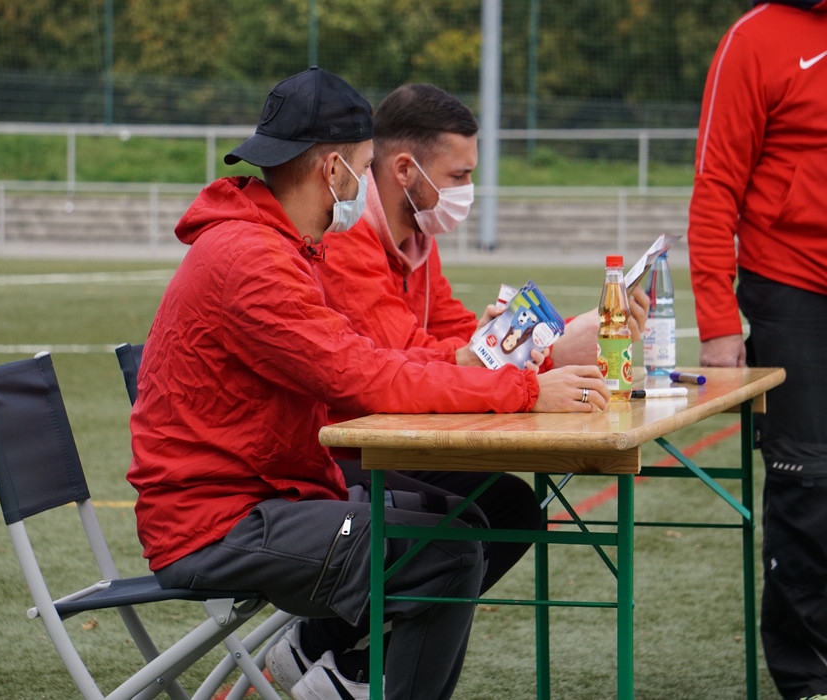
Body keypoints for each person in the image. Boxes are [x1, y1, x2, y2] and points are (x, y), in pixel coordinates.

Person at [128, 67, 609, 700]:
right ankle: (338, 673)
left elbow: (373, 362)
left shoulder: (275, 245)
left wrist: (510, 368)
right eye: (362, 167)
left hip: (267, 495)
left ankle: (335, 670)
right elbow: (365, 376)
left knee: (465, 523)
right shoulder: (253, 258)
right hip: (221, 524)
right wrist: (523, 389)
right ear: (333, 169)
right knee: (449, 552)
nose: (366, 185)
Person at [315, 83, 649, 600]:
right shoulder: (347, 239)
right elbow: (399, 362)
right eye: (459, 176)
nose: (468, 190)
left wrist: (558, 338)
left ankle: (352, 641)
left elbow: (459, 337)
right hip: (348, 446)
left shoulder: (417, 238)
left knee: (508, 505)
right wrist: (547, 355)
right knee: (488, 516)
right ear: (404, 170)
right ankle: (322, 641)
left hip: (392, 434)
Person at [687, 3, 827, 699]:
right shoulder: (756, 38)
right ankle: (809, 677)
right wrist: (718, 322)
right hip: (792, 286)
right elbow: (715, 183)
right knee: (809, 482)